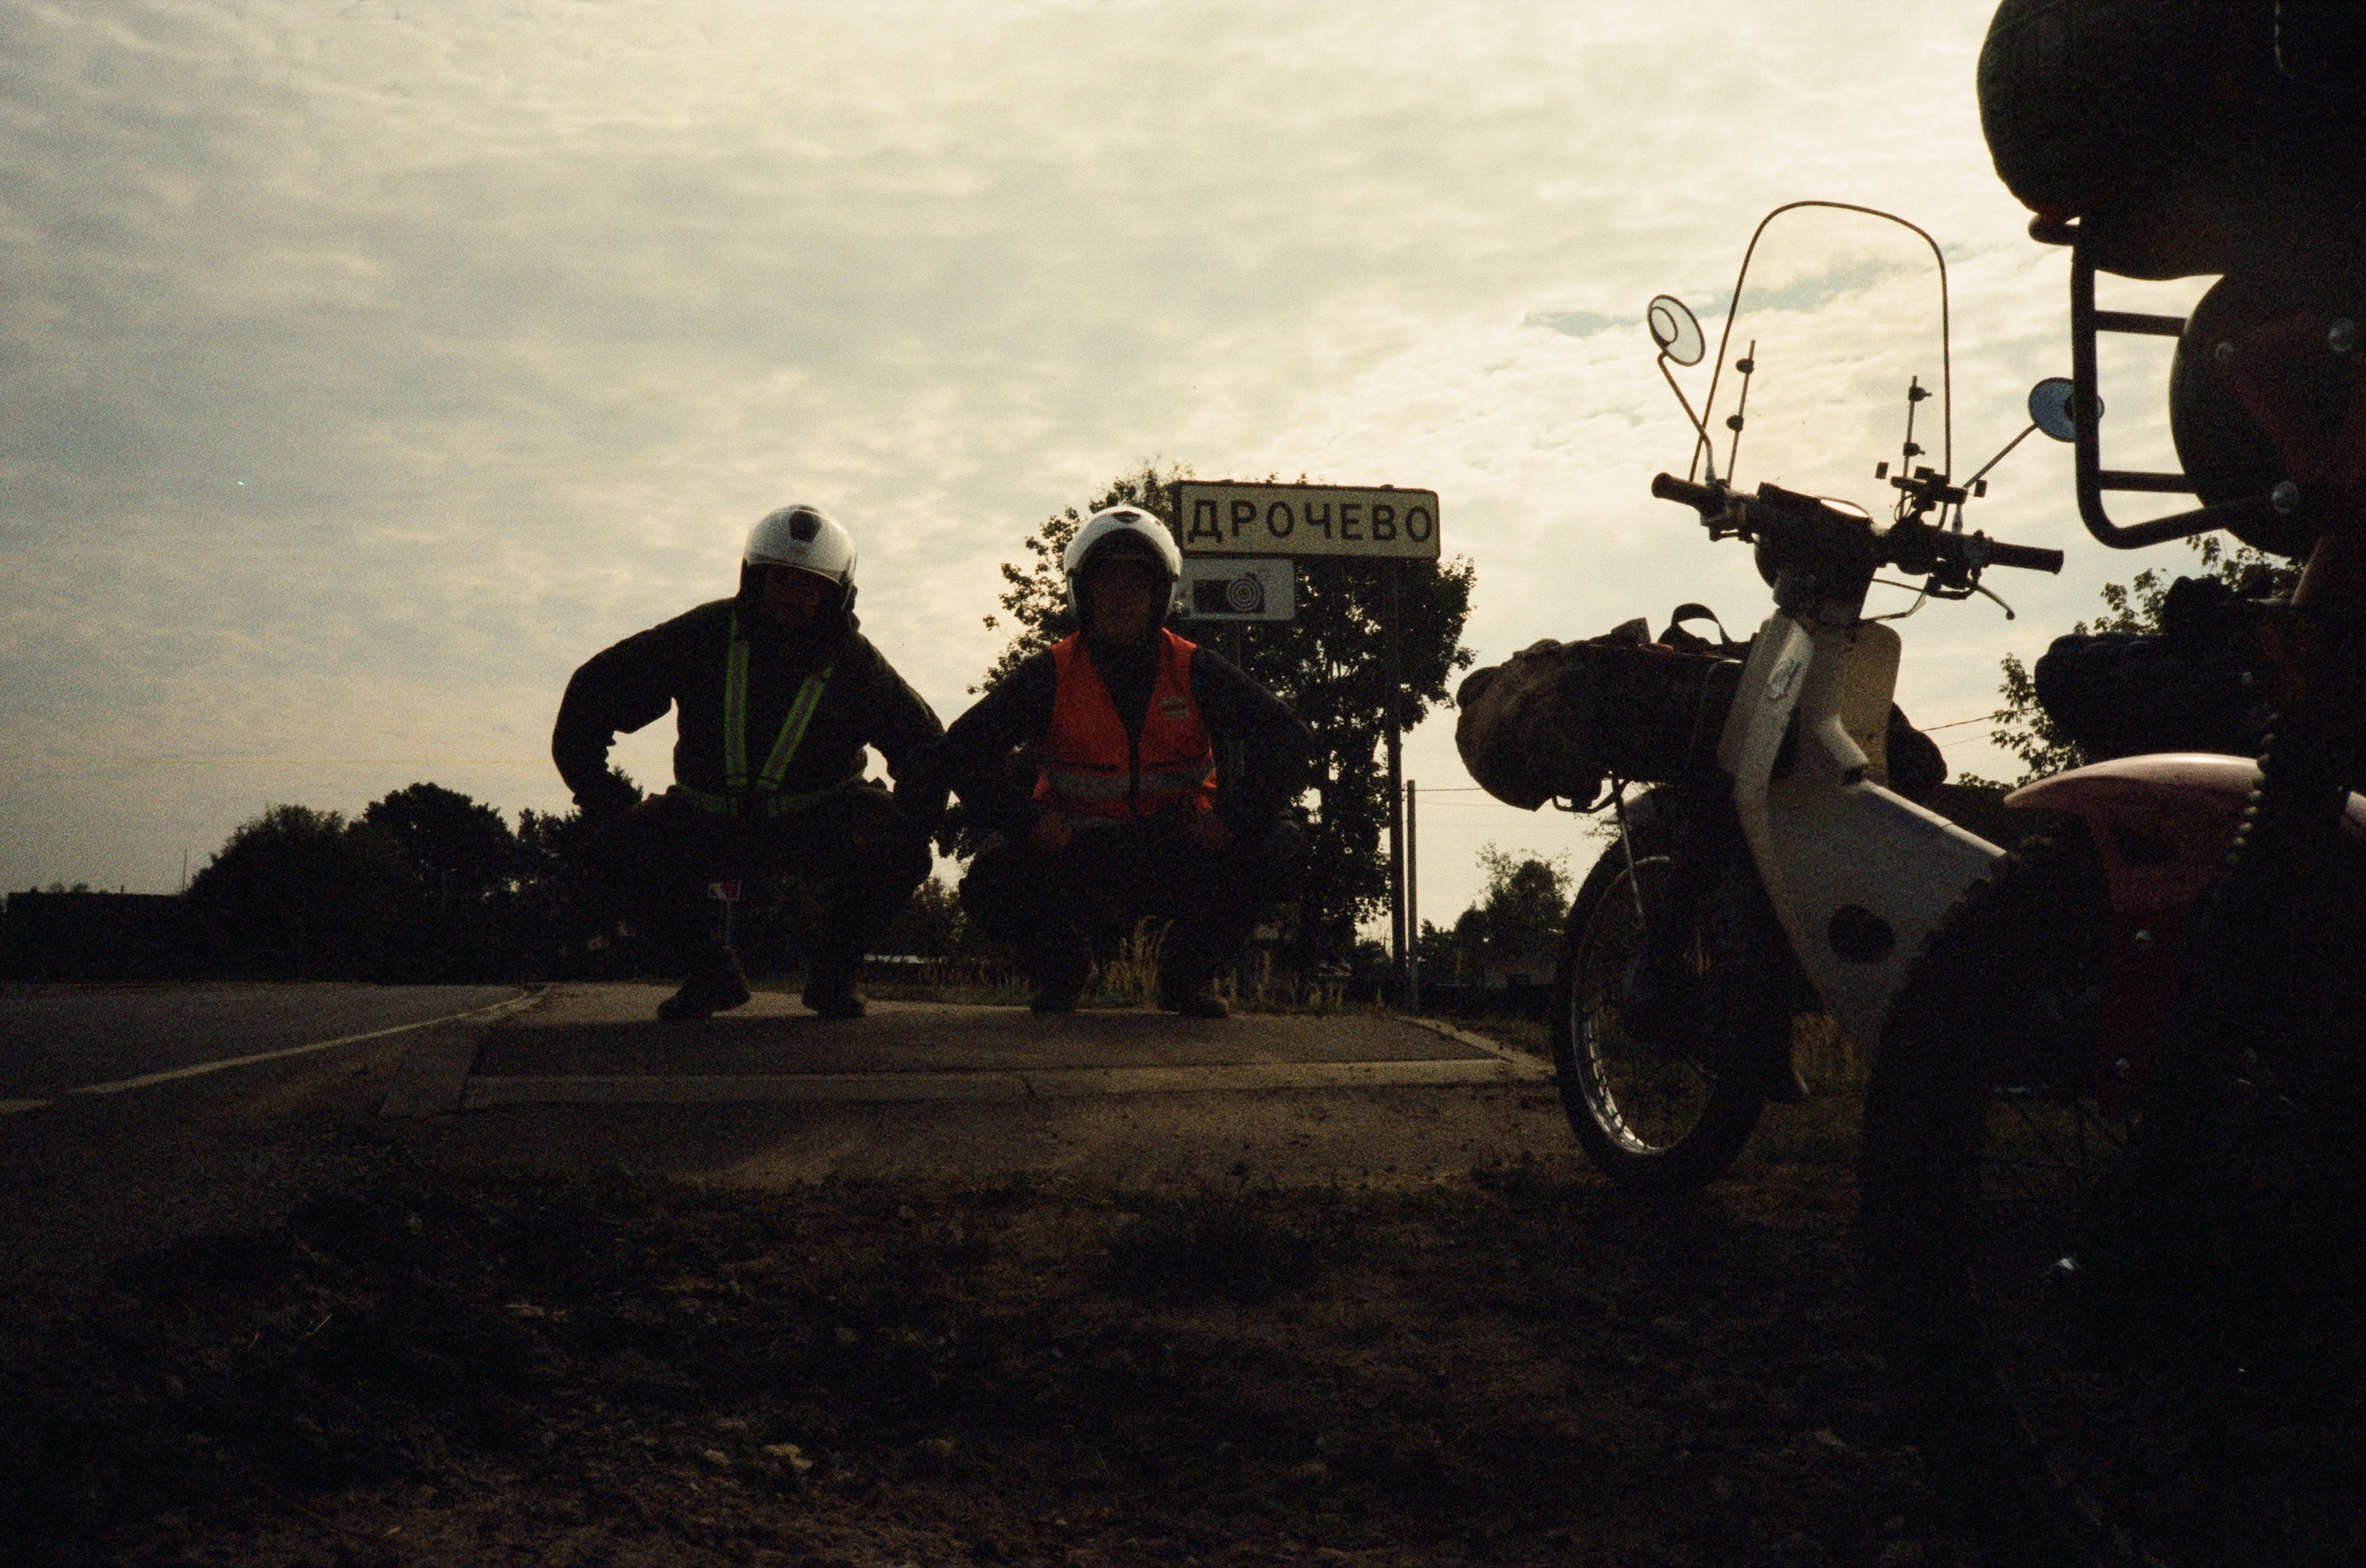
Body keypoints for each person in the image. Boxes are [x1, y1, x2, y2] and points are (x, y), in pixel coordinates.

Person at [552, 504, 945, 1021]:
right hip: (707, 816)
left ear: (838, 591)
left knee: (900, 846)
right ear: (750, 577)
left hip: (818, 819)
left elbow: (925, 748)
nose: (791, 594)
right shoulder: (702, 634)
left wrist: (913, 823)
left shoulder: (857, 662)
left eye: (808, 584)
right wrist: (605, 799)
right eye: (778, 579)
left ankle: (833, 976)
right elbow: (592, 693)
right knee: (611, 852)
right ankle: (709, 974)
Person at [935, 505, 1311, 1016]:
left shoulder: (1194, 666)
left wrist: (1232, 819)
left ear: (1162, 593)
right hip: (1080, 851)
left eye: (1136, 581)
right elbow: (962, 747)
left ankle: (1187, 978)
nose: (1120, 594)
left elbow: (1288, 738)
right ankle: (1064, 965)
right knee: (991, 879)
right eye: (1106, 579)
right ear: (1080, 590)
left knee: (1278, 845)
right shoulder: (1052, 671)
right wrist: (1025, 822)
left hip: (1177, 846)